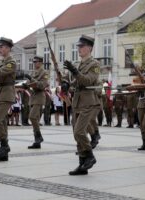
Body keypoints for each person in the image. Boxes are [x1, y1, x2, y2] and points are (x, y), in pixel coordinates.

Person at [62, 35, 101, 175]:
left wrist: (75, 72)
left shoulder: (94, 64)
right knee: (76, 134)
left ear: (89, 48)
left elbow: (88, 81)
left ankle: (90, 156)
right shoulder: (78, 64)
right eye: (78, 46)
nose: (79, 49)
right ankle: (82, 164)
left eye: (82, 46)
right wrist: (66, 84)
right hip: (77, 102)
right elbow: (74, 82)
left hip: (88, 102)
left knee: (79, 131)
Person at [25, 56, 48, 149]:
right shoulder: (34, 72)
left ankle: (39, 137)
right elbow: (28, 84)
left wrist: (31, 79)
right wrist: (25, 85)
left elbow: (42, 85)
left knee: (32, 117)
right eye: (33, 62)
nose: (34, 63)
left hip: (39, 97)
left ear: (41, 62)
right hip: (33, 97)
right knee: (36, 120)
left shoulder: (44, 72)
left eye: (36, 62)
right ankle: (37, 141)